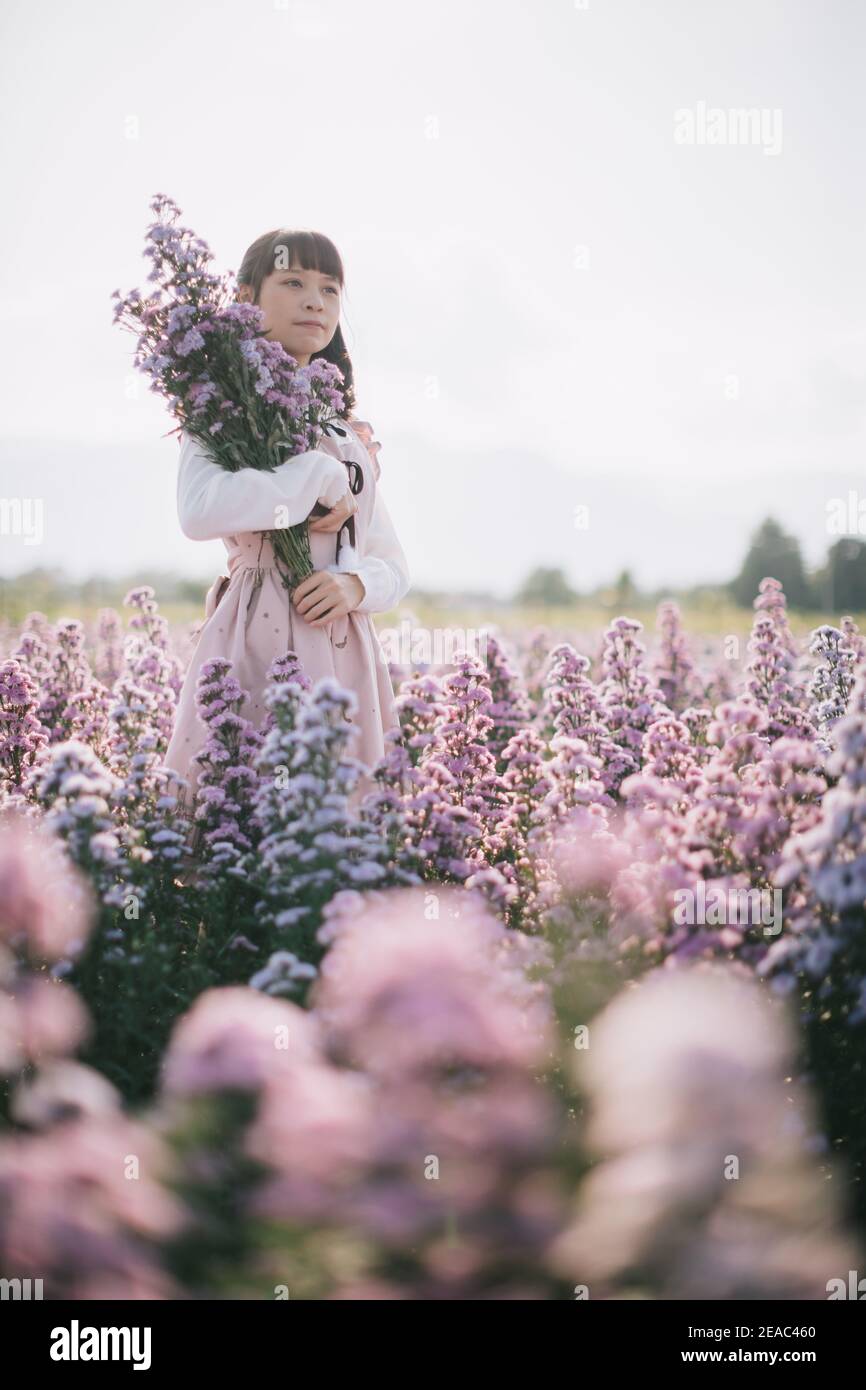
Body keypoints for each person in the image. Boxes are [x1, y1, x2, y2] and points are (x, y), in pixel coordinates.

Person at [164, 227, 411, 819]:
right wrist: (310, 478)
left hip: (341, 640)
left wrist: (355, 585)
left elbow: (390, 561)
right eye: (294, 282)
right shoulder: (219, 409)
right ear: (247, 298)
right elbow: (200, 510)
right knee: (243, 800)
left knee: (338, 813)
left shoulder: (346, 434)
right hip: (255, 632)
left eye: (330, 288)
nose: (315, 301)